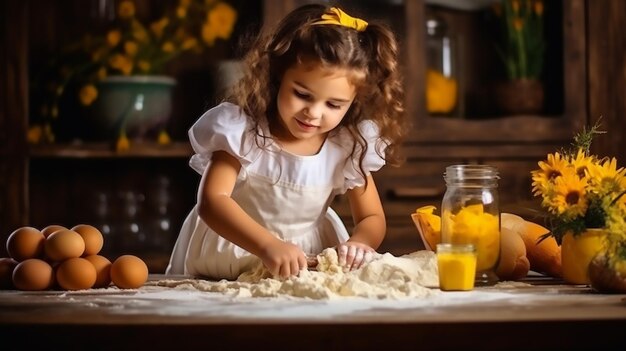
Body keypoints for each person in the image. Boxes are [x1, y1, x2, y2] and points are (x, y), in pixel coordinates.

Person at [166, 4, 407, 280]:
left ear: (353, 102)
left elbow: (371, 218)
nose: (314, 113)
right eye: (302, 94)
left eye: (334, 104)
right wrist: (267, 245)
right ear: (279, 73)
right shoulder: (243, 131)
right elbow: (212, 201)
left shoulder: (348, 145)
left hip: (310, 257)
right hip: (237, 251)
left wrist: (360, 243)